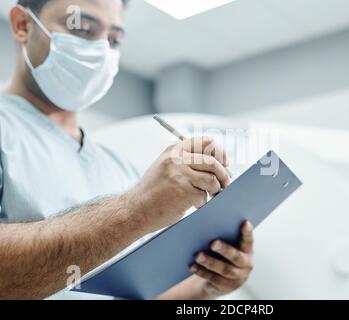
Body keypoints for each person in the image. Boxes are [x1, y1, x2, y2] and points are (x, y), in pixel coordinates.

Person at [0, 0, 254, 300]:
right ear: (22, 25)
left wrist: (207, 284)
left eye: (114, 40)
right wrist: (133, 211)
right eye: (81, 28)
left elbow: (135, 294)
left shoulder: (120, 168)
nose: (100, 50)